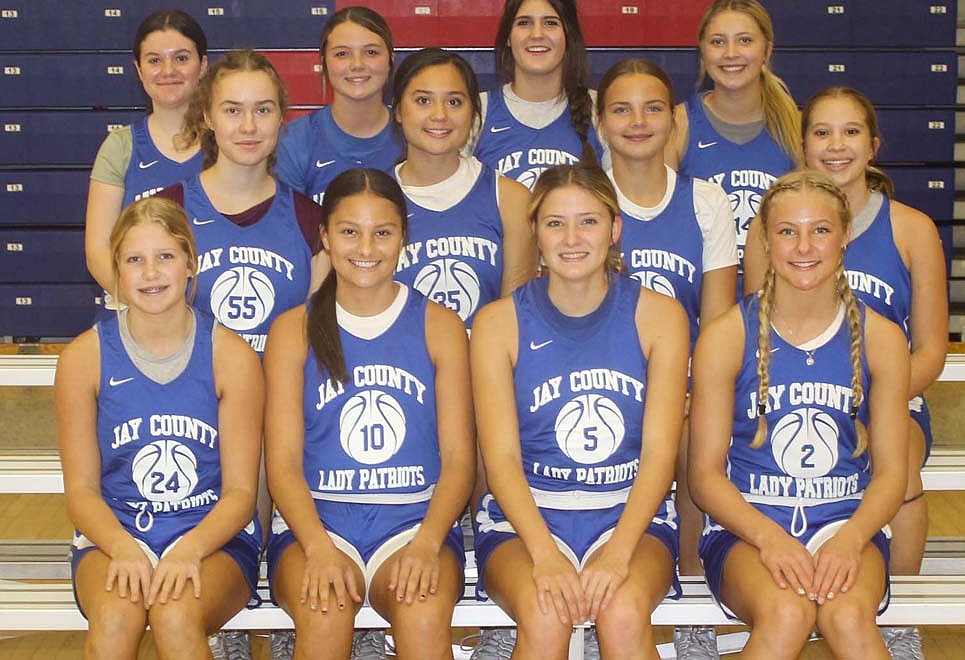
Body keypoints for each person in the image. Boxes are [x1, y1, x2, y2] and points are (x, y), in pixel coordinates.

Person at [745, 86, 948, 658]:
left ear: (874, 144)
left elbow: (931, 350)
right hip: (790, 399)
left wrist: (865, 406)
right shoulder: (774, 228)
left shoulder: (912, 230)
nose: (836, 146)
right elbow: (757, 337)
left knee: (898, 460)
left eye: (851, 132)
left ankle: (899, 613)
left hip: (889, 398)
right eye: (822, 133)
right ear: (802, 143)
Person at [689, 170, 910, 659]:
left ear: (845, 235)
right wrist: (769, 539)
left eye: (821, 230)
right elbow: (703, 477)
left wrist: (851, 540)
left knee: (847, 614)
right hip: (749, 526)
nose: (804, 246)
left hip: (845, 522)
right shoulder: (728, 336)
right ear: (766, 239)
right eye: (787, 231)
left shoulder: (881, 338)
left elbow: (894, 472)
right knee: (788, 612)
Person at [471, 163, 689, 660]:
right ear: (535, 234)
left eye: (588, 222)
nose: (572, 238)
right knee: (547, 614)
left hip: (628, 515)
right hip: (526, 519)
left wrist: (618, 552)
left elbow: (659, 452)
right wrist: (545, 556)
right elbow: (501, 458)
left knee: (624, 611)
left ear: (615, 229)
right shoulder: (498, 323)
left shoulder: (659, 316)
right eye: (555, 223)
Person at [263, 168, 474, 660]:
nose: (366, 247)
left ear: (404, 236)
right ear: (325, 236)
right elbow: (283, 465)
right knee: (323, 614)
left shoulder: (439, 326)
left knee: (423, 616)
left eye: (383, 232)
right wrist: (316, 547)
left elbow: (460, 459)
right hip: (317, 522)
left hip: (413, 521)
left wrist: (427, 543)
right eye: (348, 231)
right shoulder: (292, 331)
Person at [56, 197, 263, 660]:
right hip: (115, 532)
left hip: (212, 538)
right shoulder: (82, 359)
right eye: (135, 260)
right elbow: (82, 492)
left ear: (191, 264)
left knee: (174, 614)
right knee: (113, 621)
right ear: (116, 271)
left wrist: (190, 549)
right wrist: (122, 547)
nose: (150, 273)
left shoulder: (232, 357)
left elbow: (240, 494)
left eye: (165, 257)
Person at [596, 56, 738, 657]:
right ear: (600, 122)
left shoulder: (705, 202)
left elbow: (719, 321)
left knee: (690, 440)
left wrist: (687, 395)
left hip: (679, 386)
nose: (637, 121)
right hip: (594, 388)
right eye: (621, 109)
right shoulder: (580, 197)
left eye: (653, 108)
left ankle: (690, 610)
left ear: (674, 122)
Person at [163, 48, 328, 357]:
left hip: (275, 398)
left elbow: (311, 344)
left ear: (281, 116)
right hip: (192, 401)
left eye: (263, 110)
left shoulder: (310, 222)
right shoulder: (167, 212)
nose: (249, 126)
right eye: (232, 111)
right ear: (208, 116)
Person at [391, 48, 537, 330]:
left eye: (454, 102)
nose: (439, 115)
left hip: (483, 369)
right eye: (423, 100)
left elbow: (514, 324)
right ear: (398, 110)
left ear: (473, 112)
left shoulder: (510, 199)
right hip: (401, 370)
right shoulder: (374, 199)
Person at [665, 0, 800, 295]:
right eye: (717, 42)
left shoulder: (795, 127)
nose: (730, 53)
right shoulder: (679, 125)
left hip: (778, 301)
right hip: (702, 300)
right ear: (702, 52)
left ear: (767, 51)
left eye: (744, 40)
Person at [86, 9, 209, 309]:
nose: (168, 70)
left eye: (181, 58)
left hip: (214, 314)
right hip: (140, 315)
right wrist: (148, 307)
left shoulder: (230, 144)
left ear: (203, 65)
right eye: (155, 60)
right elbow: (98, 250)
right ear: (139, 70)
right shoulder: (120, 147)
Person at [472, 0, 603, 189]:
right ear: (508, 36)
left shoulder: (599, 109)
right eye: (524, 23)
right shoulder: (478, 111)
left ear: (568, 35)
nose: (536, 34)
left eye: (550, 23)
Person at [274, 6, 404, 204]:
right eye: (342, 54)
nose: (357, 64)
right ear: (324, 63)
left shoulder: (413, 136)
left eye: (371, 52)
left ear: (390, 60)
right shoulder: (293, 142)